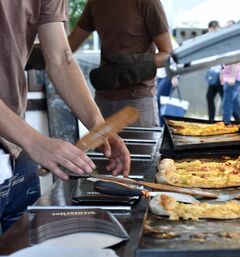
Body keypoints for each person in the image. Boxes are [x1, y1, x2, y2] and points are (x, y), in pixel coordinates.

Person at [0, 0, 130, 233]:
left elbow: (61, 58)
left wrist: (98, 126)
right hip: (22, 141)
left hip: (15, 152)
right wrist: (34, 141)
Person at [68, 0, 173, 128]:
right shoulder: (95, 2)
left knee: (140, 148)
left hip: (137, 103)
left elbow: (167, 55)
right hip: (102, 101)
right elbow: (67, 48)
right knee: (105, 149)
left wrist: (127, 67)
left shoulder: (148, 2)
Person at [221, 20, 240, 124]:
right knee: (234, 104)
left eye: (229, 26)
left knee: (227, 104)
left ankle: (225, 125)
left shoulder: (235, 40)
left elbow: (235, 60)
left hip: (233, 78)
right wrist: (222, 74)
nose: (227, 28)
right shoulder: (229, 40)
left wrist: (232, 77)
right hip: (229, 77)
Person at [156, 36, 179, 125]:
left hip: (169, 76)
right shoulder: (155, 43)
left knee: (160, 99)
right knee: (159, 101)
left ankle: (162, 125)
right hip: (160, 75)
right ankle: (161, 125)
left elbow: (176, 62)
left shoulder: (172, 43)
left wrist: (174, 77)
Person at [205, 21, 223, 121]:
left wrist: (223, 72)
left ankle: (237, 118)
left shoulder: (220, 37)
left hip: (221, 74)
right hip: (214, 74)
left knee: (226, 100)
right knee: (209, 97)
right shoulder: (211, 38)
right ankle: (211, 121)